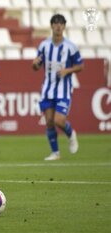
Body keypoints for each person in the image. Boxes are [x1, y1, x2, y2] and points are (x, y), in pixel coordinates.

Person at [32, 14, 83, 161]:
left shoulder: (70, 47)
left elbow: (80, 66)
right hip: (48, 89)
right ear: (51, 26)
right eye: (55, 23)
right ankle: (55, 153)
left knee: (58, 120)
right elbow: (36, 65)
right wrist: (35, 63)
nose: (58, 26)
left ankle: (70, 133)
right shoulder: (44, 45)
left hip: (63, 90)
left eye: (61, 23)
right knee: (49, 122)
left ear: (64, 26)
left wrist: (68, 70)